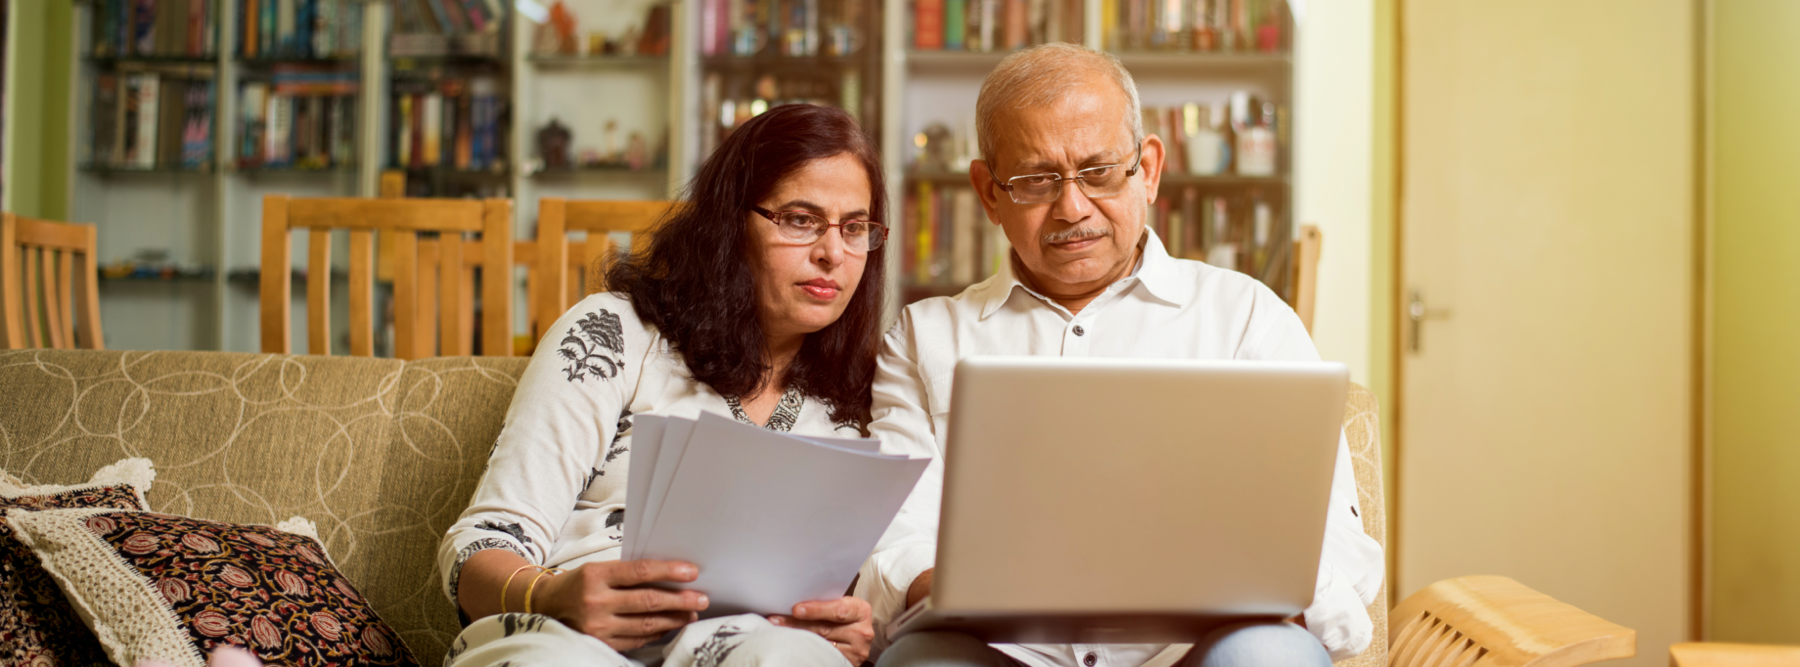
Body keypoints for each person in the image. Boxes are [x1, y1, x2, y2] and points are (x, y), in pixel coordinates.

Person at [853, 44, 1385, 667]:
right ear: (989, 193)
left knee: (1272, 655)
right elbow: (894, 536)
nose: (1072, 207)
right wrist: (946, 586)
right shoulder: (923, 339)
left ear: (1149, 169)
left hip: (1194, 652)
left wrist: (1262, 580)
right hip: (1003, 653)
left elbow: (1340, 545)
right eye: (1035, 180)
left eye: (1099, 171)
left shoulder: (1247, 319)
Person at [437, 104, 896, 667]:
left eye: (854, 228)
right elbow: (480, 543)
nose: (832, 254)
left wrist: (846, 632)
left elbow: (858, 597)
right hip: (574, 639)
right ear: (732, 223)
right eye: (800, 219)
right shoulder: (616, 332)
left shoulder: (868, 400)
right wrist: (550, 596)